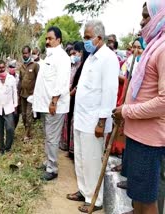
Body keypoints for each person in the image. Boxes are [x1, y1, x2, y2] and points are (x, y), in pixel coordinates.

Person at [113, 1, 165, 213]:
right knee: (136, 194)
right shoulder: (152, 46)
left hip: (149, 140)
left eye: (146, 16)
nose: (141, 21)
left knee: (146, 199)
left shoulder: (163, 49)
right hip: (137, 135)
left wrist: (126, 111)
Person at [67, 20, 119, 213]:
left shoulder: (108, 58)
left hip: (94, 121)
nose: (85, 41)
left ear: (99, 38)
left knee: (92, 160)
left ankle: (94, 200)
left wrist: (102, 122)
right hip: (81, 118)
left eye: (88, 37)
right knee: (80, 157)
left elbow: (109, 92)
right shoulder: (91, 56)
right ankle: (83, 190)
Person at [33, 26, 71, 181]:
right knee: (48, 136)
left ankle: (52, 169)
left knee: (52, 138)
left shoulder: (62, 57)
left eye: (50, 38)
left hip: (54, 105)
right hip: (45, 105)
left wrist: (54, 101)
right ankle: (48, 161)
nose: (47, 41)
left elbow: (62, 82)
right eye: (46, 38)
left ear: (58, 40)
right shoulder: (50, 56)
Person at [60, 42, 90, 158]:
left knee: (73, 123)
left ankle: (73, 151)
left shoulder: (83, 67)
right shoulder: (74, 66)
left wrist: (71, 93)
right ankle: (69, 148)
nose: (74, 55)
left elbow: (79, 84)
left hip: (75, 98)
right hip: (70, 96)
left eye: (75, 52)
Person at [0, 60, 18, 155]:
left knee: (10, 128)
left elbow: (15, 93)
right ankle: (1, 148)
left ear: (5, 67)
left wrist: (15, 105)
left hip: (9, 107)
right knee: (0, 130)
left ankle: (8, 146)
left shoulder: (11, 79)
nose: (1, 69)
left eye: (3, 67)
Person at [18, 46, 39, 142]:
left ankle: (26, 134)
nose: (24, 55)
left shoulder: (35, 65)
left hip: (31, 95)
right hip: (23, 94)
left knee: (28, 114)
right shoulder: (22, 66)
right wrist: (18, 94)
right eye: (23, 53)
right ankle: (28, 131)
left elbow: (38, 80)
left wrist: (36, 94)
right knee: (23, 115)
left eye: (26, 53)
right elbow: (20, 80)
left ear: (30, 53)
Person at [8, 60, 20, 129]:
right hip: (8, 99)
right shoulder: (5, 77)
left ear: (15, 68)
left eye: (13, 67)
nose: (11, 68)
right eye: (10, 67)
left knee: (16, 115)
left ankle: (13, 129)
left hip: (16, 99)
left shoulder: (18, 77)